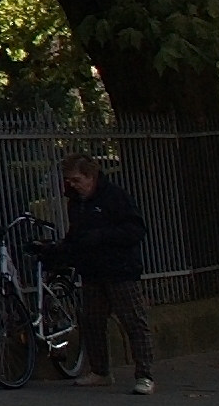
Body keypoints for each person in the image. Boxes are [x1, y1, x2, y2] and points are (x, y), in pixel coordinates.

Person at [51, 153, 155, 392]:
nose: (72, 185)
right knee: (93, 322)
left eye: (76, 180)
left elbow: (135, 229)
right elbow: (76, 235)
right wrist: (61, 251)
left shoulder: (114, 197)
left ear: (90, 177)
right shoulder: (76, 203)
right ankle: (100, 370)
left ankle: (144, 374)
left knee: (133, 321)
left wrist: (102, 236)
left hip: (120, 270)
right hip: (92, 271)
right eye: (69, 181)